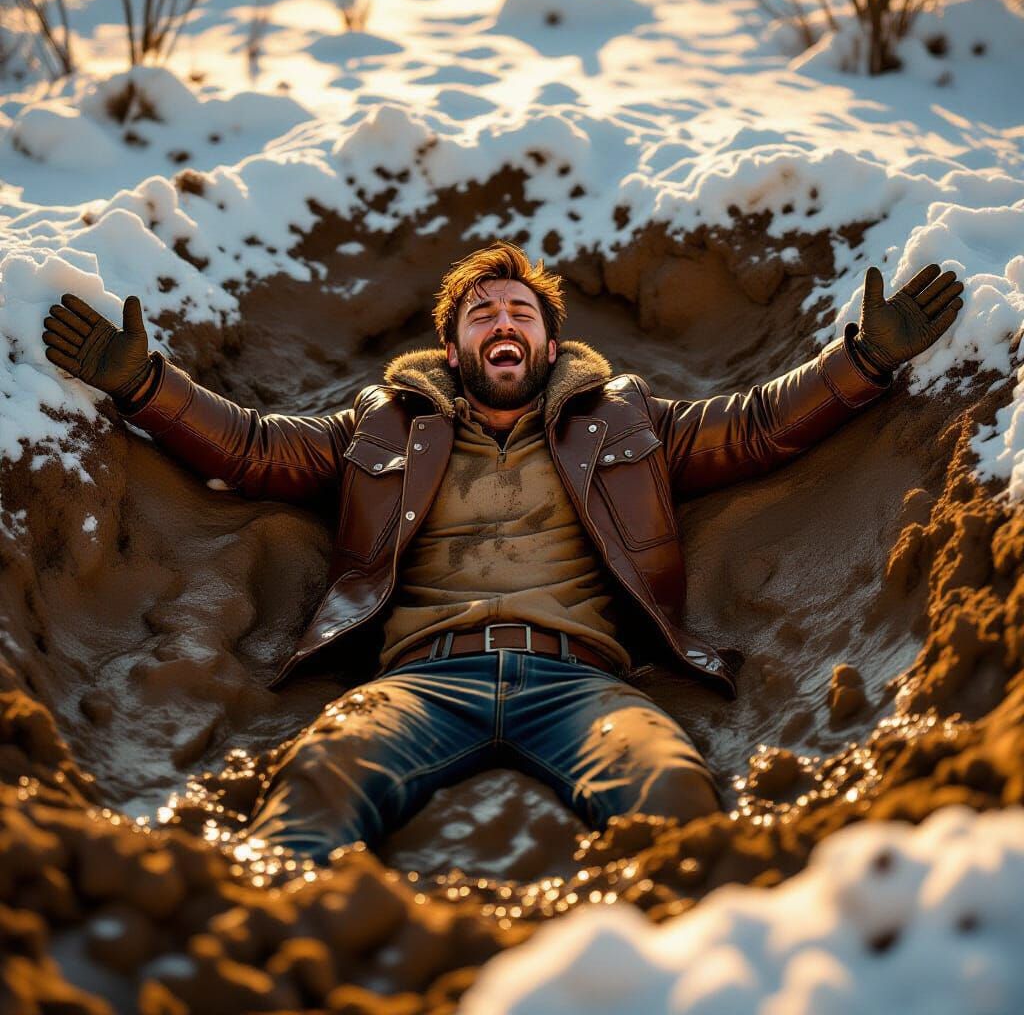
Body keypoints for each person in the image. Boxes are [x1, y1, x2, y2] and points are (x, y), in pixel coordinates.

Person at [41, 241, 964, 862]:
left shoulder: (624, 418)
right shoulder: (379, 424)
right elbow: (254, 449)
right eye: (480, 314)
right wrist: (145, 386)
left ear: (551, 340)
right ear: (451, 347)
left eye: (519, 311)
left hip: (583, 683)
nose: (502, 323)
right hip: (419, 682)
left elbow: (754, 427)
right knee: (316, 791)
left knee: (676, 798)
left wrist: (863, 365)